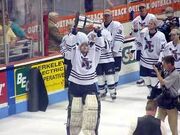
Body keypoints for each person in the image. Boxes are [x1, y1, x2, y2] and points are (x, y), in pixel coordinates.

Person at [62, 28, 104, 135]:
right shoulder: (75, 54)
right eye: (82, 45)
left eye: (87, 45)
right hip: (75, 85)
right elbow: (71, 46)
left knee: (92, 111)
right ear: (79, 46)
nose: (85, 47)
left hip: (90, 85)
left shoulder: (94, 54)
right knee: (74, 113)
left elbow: (100, 45)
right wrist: (73, 35)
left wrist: (99, 34)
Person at [130, 18, 167, 99]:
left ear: (155, 25)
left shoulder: (161, 35)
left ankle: (156, 95)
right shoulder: (144, 32)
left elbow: (163, 49)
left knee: (154, 81)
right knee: (146, 80)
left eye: (151, 23)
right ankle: (152, 93)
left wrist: (160, 60)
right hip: (144, 61)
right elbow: (137, 42)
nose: (148, 25)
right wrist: (132, 50)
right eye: (149, 23)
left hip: (154, 62)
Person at [153, 55, 180, 135]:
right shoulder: (166, 72)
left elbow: (162, 82)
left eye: (164, 64)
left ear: (169, 64)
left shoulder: (175, 74)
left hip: (171, 104)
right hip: (163, 101)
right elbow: (161, 85)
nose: (163, 65)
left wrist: (157, 71)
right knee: (157, 125)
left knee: (173, 129)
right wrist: (160, 71)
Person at [131, 3, 156, 85]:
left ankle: (153, 75)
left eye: (143, 7)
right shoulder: (135, 20)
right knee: (140, 60)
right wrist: (135, 30)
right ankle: (142, 77)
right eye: (140, 8)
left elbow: (156, 29)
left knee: (149, 58)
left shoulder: (151, 17)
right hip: (139, 43)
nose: (141, 9)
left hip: (149, 42)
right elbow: (134, 35)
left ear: (146, 8)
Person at [101, 9, 124, 98]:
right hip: (105, 55)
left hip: (116, 54)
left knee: (116, 72)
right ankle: (106, 89)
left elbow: (119, 39)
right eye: (105, 15)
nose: (106, 17)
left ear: (112, 16)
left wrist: (114, 52)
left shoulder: (117, 25)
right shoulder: (101, 26)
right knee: (105, 73)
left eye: (108, 15)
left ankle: (113, 89)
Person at [88, 27, 116, 100]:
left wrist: (100, 37)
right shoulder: (90, 34)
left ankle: (112, 92)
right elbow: (89, 47)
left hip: (108, 59)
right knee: (99, 78)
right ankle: (102, 92)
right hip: (97, 60)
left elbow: (107, 46)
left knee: (109, 77)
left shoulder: (106, 32)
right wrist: (91, 44)